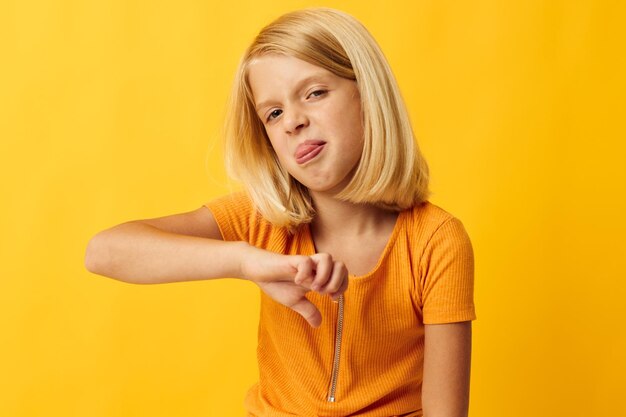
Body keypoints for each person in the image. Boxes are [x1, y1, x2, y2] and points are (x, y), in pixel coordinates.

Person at [85, 7, 476, 417]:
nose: (293, 122)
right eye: (273, 113)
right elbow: (104, 252)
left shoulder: (436, 240)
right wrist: (246, 261)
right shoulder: (262, 220)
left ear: (368, 94)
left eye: (314, 93)